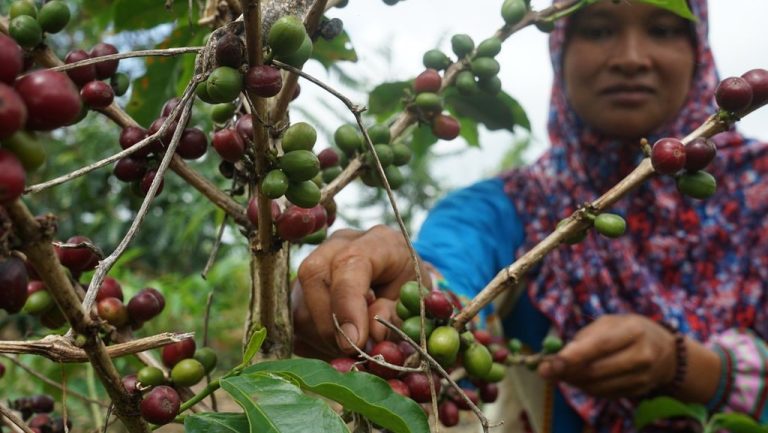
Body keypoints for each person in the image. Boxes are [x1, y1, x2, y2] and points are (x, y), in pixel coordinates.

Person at [292, 0, 768, 431]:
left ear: (699, 50)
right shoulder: (506, 208)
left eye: (662, 30)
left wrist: (687, 366)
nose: (630, 57)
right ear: (559, 49)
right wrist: (398, 288)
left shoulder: (760, 189)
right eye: (599, 30)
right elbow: (448, 269)